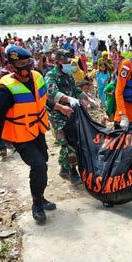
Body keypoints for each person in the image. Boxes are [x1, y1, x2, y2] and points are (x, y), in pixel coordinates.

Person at [0, 46, 73, 223]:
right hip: (20, 134)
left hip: (37, 129)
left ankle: (40, 196)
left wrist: (59, 106)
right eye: (20, 64)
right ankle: (36, 204)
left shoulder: (37, 76)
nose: (25, 67)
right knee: (39, 165)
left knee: (44, 162)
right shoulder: (6, 88)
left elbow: (41, 99)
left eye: (27, 63)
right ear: (11, 67)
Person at [45, 49, 96, 184]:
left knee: (70, 142)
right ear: (58, 61)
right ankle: (72, 172)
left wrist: (88, 98)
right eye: (65, 61)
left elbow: (76, 89)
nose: (68, 63)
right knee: (67, 143)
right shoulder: (51, 75)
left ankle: (63, 169)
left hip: (71, 114)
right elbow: (52, 94)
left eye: (69, 60)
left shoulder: (68, 75)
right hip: (58, 115)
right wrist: (68, 99)